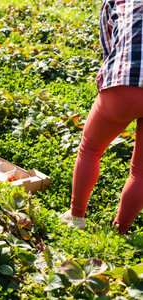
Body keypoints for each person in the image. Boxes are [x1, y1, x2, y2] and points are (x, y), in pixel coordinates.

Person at [61, 0, 143, 234]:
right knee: (141, 171)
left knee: (91, 148)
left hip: (124, 84)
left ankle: (76, 217)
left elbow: (109, 48)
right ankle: (121, 230)